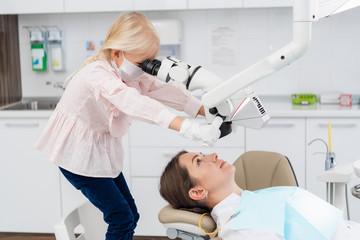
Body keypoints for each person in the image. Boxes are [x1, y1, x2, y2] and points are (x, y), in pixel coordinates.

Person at [35, 12, 223, 240]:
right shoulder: (98, 74)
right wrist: (189, 128)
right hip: (77, 156)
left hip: (100, 153)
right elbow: (135, 103)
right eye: (142, 63)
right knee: (121, 217)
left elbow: (167, 92)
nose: (147, 68)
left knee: (131, 215)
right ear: (117, 53)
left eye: (150, 62)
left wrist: (208, 111)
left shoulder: (131, 73)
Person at [159, 151, 360, 240]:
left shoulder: (251, 200)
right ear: (197, 192)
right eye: (199, 161)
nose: (214, 156)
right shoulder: (239, 227)